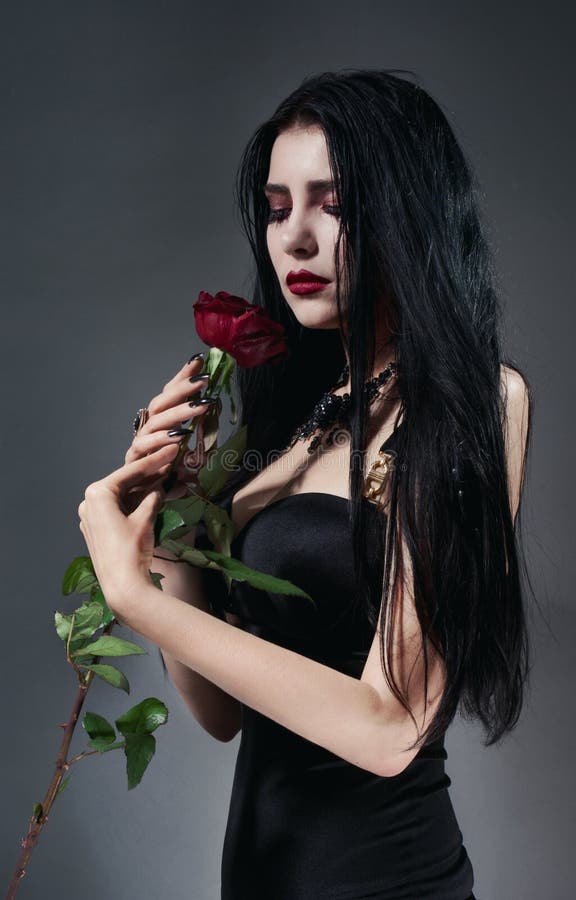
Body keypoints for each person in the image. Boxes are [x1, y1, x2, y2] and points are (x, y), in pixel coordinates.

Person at [77, 68, 532, 900]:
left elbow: (391, 727)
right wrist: (174, 515)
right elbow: (220, 715)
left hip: (387, 881)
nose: (292, 239)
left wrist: (128, 594)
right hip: (258, 874)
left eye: (333, 202)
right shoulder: (299, 412)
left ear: (407, 209)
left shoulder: (476, 400)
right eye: (277, 207)